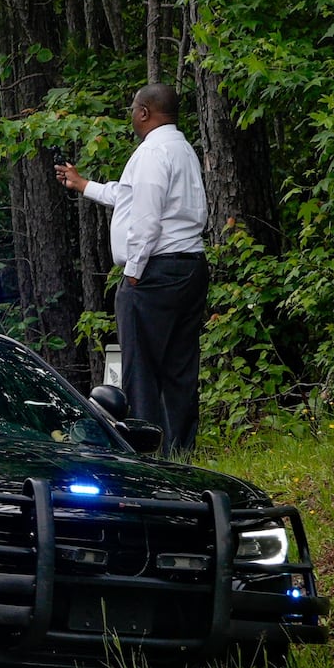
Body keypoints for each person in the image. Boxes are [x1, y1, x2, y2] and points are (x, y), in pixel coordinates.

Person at [54, 82, 210, 453]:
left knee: (140, 369)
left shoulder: (153, 153)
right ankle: (180, 452)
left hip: (155, 271)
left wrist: (134, 272)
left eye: (133, 108)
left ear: (144, 113)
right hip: (189, 265)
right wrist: (84, 184)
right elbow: (127, 195)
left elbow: (146, 217)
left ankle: (145, 455)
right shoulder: (181, 149)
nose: (131, 115)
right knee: (179, 368)